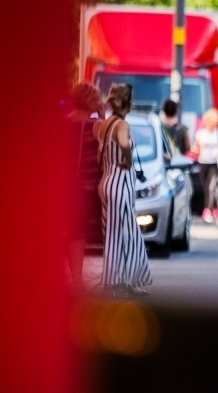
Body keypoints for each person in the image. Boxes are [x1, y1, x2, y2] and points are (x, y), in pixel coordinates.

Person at [95, 83, 153, 298]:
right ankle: (115, 283)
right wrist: (127, 161)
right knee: (124, 234)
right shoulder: (122, 125)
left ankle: (125, 281)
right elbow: (124, 145)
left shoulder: (105, 124)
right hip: (120, 183)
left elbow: (100, 154)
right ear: (129, 102)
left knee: (114, 233)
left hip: (107, 181)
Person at [66, 82, 104, 292]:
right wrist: (102, 116)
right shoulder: (94, 125)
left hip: (63, 186)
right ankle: (78, 283)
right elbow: (106, 152)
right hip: (83, 188)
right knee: (78, 237)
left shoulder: (62, 124)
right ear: (89, 101)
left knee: (69, 235)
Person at [192, 108, 218, 222]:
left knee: (211, 187)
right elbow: (195, 148)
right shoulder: (200, 134)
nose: (214, 123)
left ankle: (207, 210)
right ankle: (215, 206)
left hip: (214, 163)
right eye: (212, 121)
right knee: (205, 186)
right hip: (203, 162)